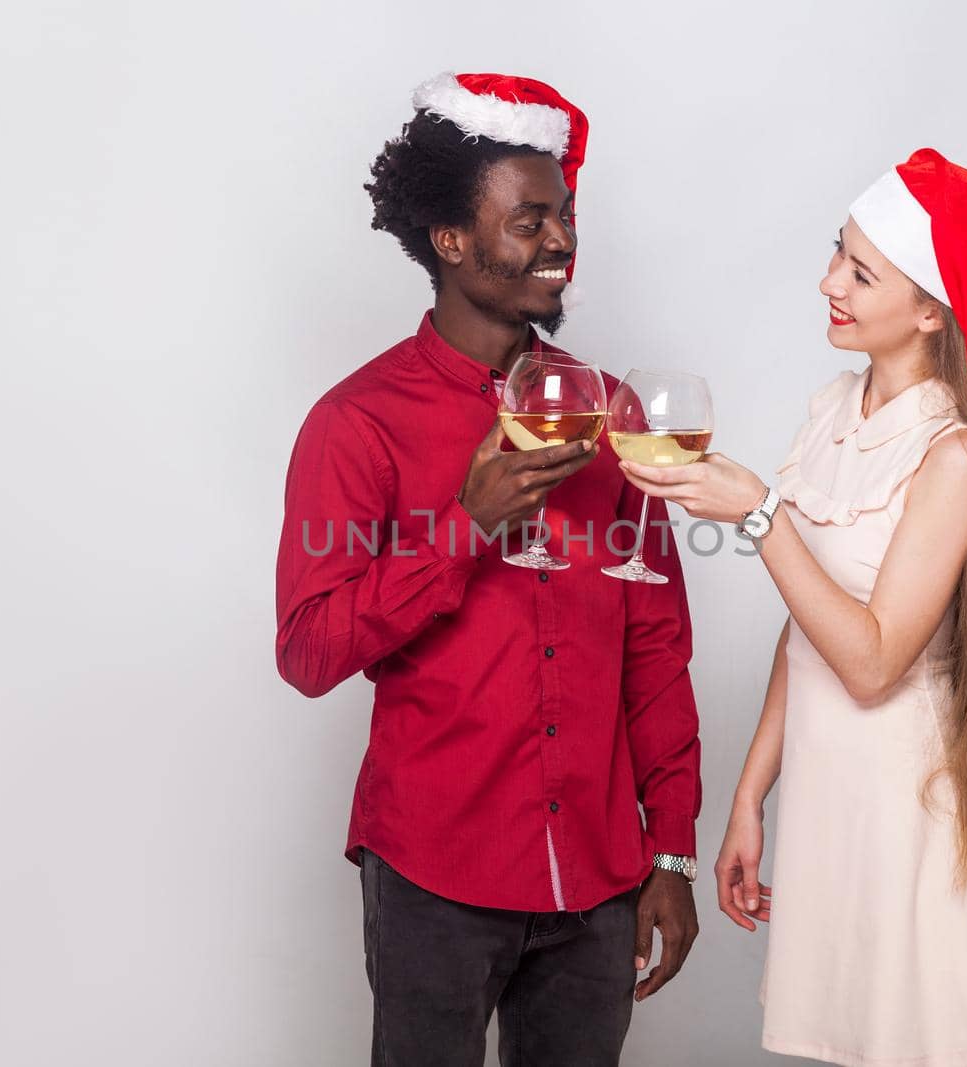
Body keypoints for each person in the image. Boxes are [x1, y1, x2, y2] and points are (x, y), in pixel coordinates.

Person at [274, 72, 702, 1067]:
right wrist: (465, 527)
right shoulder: (359, 422)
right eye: (529, 220)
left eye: (564, 217)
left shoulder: (613, 415)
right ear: (451, 240)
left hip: (598, 874)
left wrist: (669, 845)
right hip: (435, 868)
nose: (559, 241)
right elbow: (307, 649)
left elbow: (656, 644)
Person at [618, 148, 967, 1065]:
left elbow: (868, 662)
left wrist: (757, 512)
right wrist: (750, 799)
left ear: (931, 310)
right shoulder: (832, 409)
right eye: (838, 253)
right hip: (830, 797)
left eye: (861, 272)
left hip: (909, 805)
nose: (829, 281)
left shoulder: (950, 458)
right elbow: (810, 626)